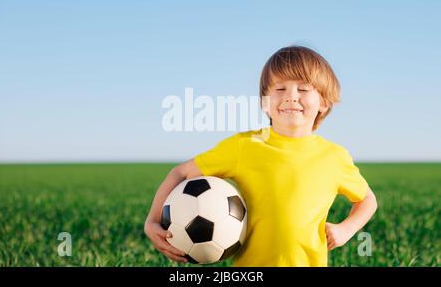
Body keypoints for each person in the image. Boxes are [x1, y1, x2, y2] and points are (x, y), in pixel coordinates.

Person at [144, 45, 378, 266]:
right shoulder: (244, 146)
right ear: (264, 103)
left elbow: (367, 200)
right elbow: (181, 172)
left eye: (303, 89)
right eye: (279, 88)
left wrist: (346, 230)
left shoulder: (334, 157)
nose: (291, 96)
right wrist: (152, 221)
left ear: (324, 103)